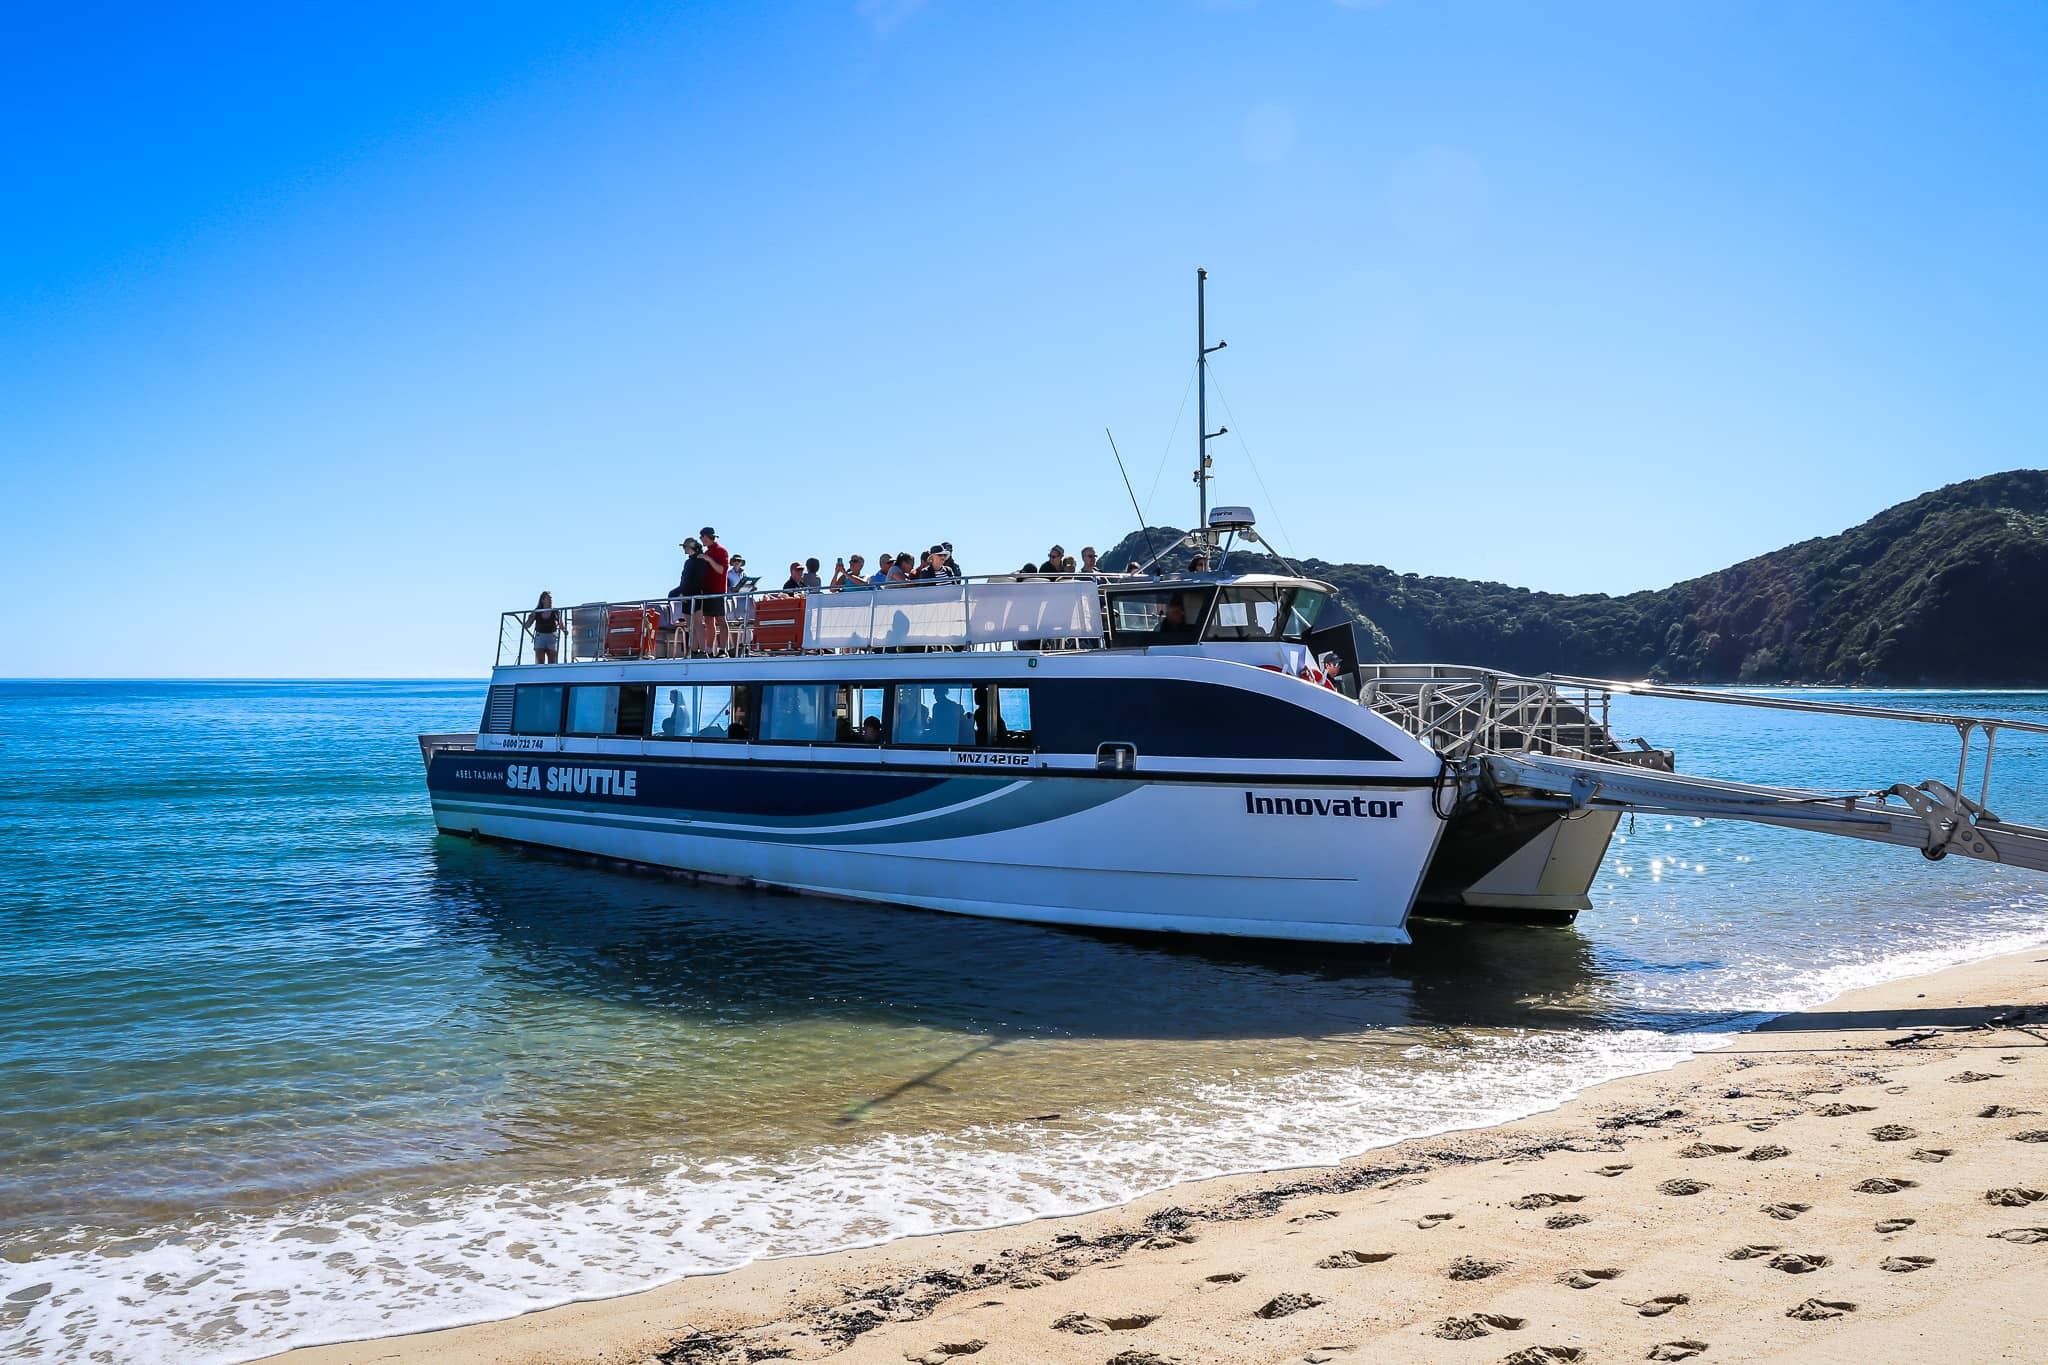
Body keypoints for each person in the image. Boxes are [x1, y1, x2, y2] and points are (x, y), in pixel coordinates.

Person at [698, 528, 731, 652]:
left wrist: (709, 560)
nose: (701, 540)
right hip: (706, 592)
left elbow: (721, 570)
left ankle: (723, 650)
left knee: (721, 619)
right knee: (708, 621)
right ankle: (709, 650)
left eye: (702, 537)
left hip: (718, 591)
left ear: (707, 537)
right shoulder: (707, 552)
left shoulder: (721, 551)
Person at [527, 591, 561, 664]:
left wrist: (564, 630)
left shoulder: (555, 611)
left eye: (551, 598)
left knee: (552, 662)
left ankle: (551, 674)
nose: (550, 600)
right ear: (542, 600)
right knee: (540, 661)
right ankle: (540, 673)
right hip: (540, 636)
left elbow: (561, 623)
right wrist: (528, 619)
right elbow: (528, 624)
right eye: (548, 598)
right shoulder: (537, 611)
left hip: (552, 636)